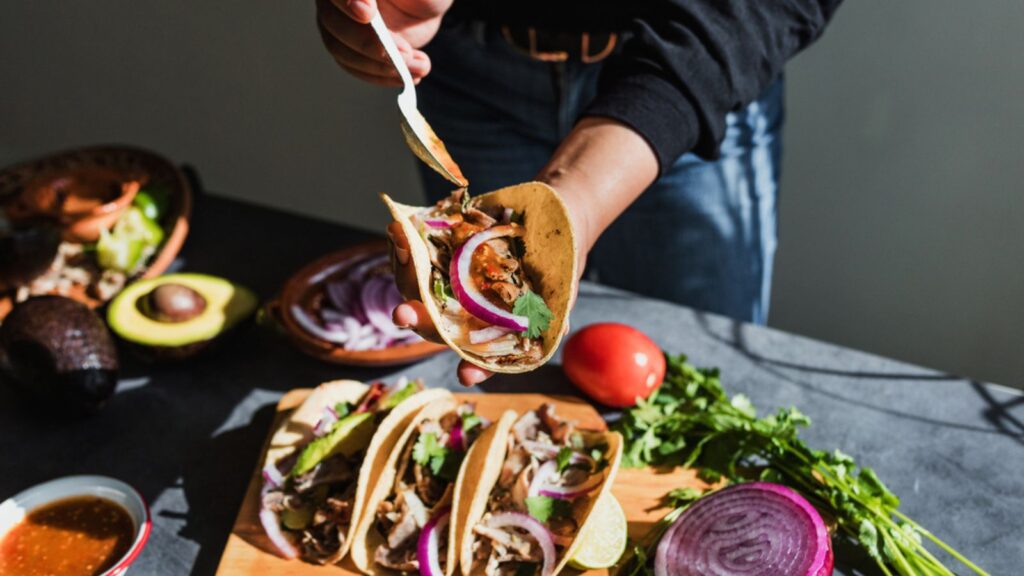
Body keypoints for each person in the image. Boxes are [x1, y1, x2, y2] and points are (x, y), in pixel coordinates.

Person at [316, 0, 843, 385]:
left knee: (706, 373)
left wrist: (577, 202)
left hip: (701, 69)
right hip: (463, 69)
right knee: (505, 378)